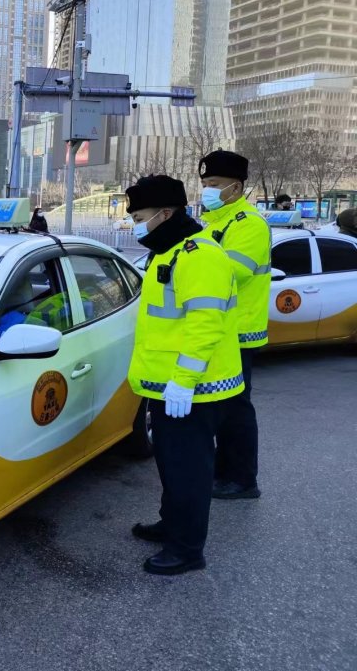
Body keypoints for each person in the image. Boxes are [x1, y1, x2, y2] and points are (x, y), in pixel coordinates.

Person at [126, 174, 244, 575]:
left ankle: (187, 550)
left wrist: (184, 380)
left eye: (139, 215)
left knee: (189, 470)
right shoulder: (169, 250)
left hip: (195, 390)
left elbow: (205, 324)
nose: (134, 223)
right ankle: (172, 524)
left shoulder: (199, 256)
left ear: (165, 213)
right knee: (171, 464)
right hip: (170, 386)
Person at [198, 149, 270, 501]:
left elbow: (233, 272)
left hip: (239, 330)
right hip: (221, 328)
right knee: (222, 408)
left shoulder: (248, 224)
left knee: (236, 409)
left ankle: (242, 479)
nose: (206, 190)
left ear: (236, 187)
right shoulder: (216, 222)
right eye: (204, 184)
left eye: (213, 184)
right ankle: (224, 472)